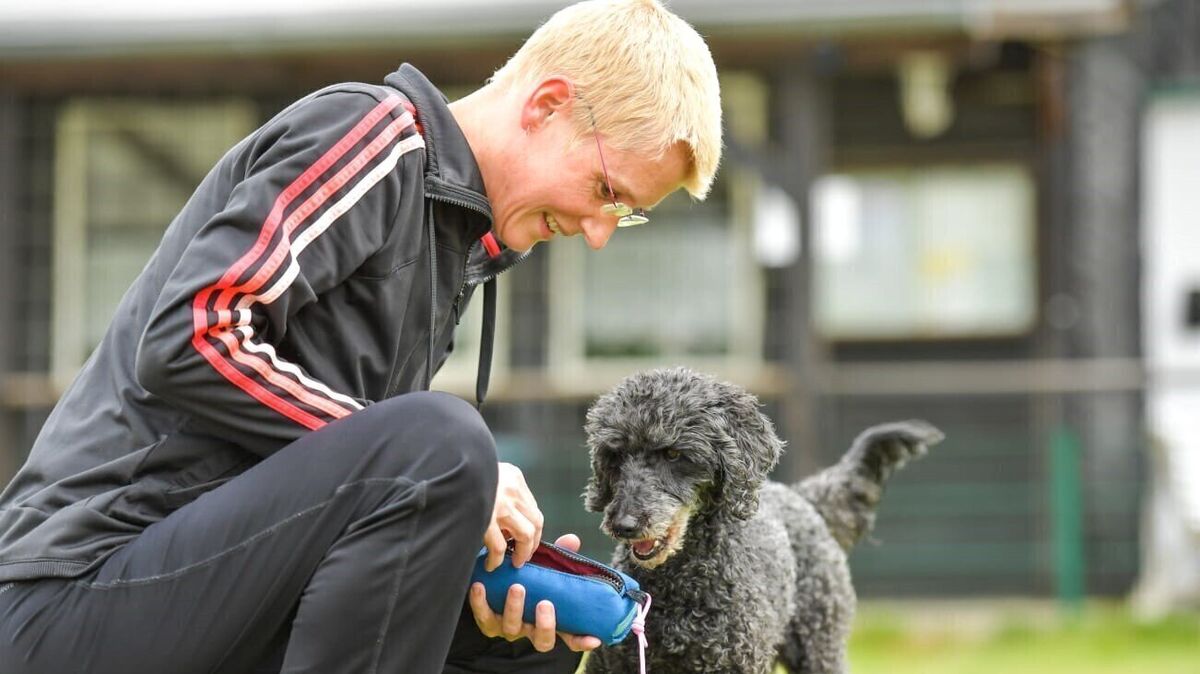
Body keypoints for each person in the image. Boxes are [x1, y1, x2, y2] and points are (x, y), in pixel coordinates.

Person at [0, 0, 721, 672]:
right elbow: (194, 332)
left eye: (626, 215)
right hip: (71, 587)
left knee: (529, 641)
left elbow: (331, 493)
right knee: (444, 444)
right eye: (605, 192)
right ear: (547, 106)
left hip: (208, 584)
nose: (598, 234)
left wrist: (463, 558)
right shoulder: (376, 136)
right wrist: (444, 472)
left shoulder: (457, 247)